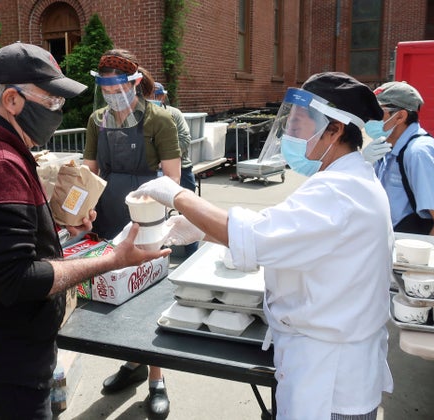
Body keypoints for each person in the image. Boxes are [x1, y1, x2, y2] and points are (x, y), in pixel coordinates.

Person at [132, 72, 394, 419]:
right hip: (325, 359)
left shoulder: (339, 192)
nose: (291, 135)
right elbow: (283, 233)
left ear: (335, 130)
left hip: (329, 379)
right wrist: (200, 230)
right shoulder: (344, 180)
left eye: (300, 125)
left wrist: (177, 195)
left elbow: (255, 236)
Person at [0, 42, 170, 419]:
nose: (58, 110)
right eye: (52, 100)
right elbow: (18, 279)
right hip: (4, 366)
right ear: (12, 100)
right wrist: (112, 259)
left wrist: (59, 227)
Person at [83, 49, 181, 419]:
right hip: (108, 212)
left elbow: (172, 178)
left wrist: (145, 201)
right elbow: (89, 171)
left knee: (149, 296)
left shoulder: (160, 119)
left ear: (134, 83)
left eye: (116, 87)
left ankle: (156, 376)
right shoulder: (97, 120)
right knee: (117, 289)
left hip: (148, 214)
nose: (111, 95)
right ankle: (132, 363)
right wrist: (80, 207)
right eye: (104, 89)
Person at [362, 81, 434, 235]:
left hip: (409, 251)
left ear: (400, 117)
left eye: (376, 112)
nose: (369, 119)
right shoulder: (385, 149)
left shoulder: (419, 153)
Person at [151, 81, 198, 257]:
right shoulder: (144, 115)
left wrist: (164, 157)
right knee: (154, 214)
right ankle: (159, 251)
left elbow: (185, 139)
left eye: (155, 96)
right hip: (152, 171)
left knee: (188, 209)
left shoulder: (174, 114)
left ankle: (191, 251)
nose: (151, 100)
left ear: (162, 96)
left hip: (181, 168)